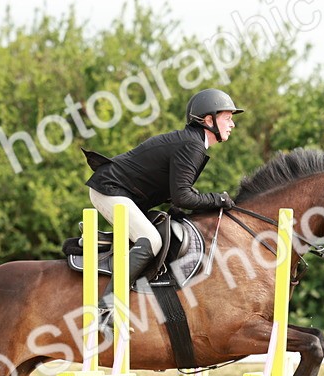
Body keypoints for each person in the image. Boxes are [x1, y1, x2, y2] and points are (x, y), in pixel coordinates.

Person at [84, 87, 243, 330]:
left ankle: (102, 245)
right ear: (208, 120)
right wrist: (218, 200)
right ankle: (105, 310)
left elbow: (175, 195)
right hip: (110, 189)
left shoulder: (192, 142)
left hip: (122, 192)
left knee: (155, 233)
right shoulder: (192, 145)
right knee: (151, 239)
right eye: (227, 117)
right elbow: (183, 196)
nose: (232, 124)